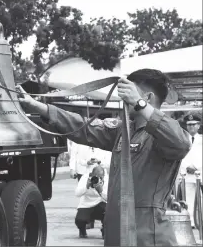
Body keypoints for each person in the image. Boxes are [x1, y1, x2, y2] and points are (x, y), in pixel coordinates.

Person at [17, 69, 191, 246]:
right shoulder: (122, 131)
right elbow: (83, 126)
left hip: (147, 232)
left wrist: (138, 103)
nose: (124, 98)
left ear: (147, 97)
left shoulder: (164, 134)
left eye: (130, 92)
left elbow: (182, 143)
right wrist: (38, 107)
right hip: (116, 227)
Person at [179, 113, 202, 228]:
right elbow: (179, 156)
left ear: (198, 125)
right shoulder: (182, 139)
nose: (191, 127)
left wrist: (197, 167)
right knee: (188, 199)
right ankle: (191, 221)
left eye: (193, 124)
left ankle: (200, 221)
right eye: (189, 125)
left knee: (201, 200)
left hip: (200, 173)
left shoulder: (202, 140)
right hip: (187, 174)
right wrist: (187, 166)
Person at [75, 165, 108, 239]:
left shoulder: (106, 179)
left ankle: (105, 231)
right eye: (96, 176)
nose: (98, 179)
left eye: (100, 177)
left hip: (100, 203)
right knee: (79, 220)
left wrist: (101, 191)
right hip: (86, 204)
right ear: (91, 175)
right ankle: (82, 230)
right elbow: (77, 193)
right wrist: (86, 187)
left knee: (109, 214)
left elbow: (108, 198)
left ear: (103, 176)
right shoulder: (85, 178)